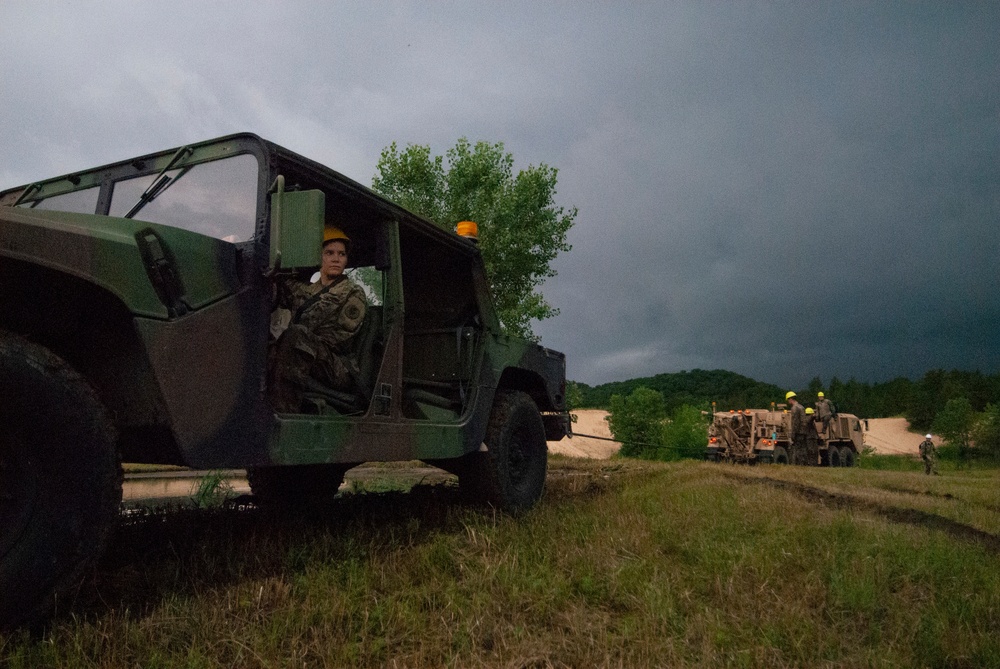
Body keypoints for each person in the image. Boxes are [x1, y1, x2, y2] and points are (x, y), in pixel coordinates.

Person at [269, 225, 368, 412]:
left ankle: (283, 413)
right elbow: (285, 286)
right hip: (308, 351)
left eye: (341, 254)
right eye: (329, 253)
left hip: (337, 366)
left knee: (297, 336)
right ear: (319, 256)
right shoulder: (310, 289)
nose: (336, 259)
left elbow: (326, 331)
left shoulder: (352, 292)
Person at [786, 391, 807, 465]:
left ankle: (799, 464)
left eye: (788, 400)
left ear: (790, 399)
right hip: (803, 432)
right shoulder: (801, 407)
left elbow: (795, 422)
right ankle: (803, 463)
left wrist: (793, 434)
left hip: (798, 432)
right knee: (802, 448)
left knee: (797, 449)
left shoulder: (794, 408)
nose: (788, 402)